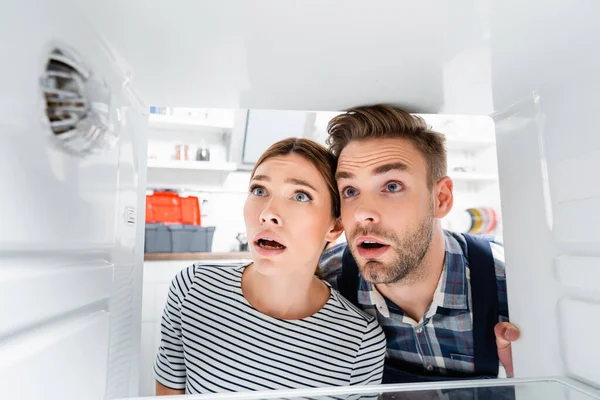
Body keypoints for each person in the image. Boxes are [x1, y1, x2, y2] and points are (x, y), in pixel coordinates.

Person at [154, 138, 387, 395]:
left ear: (335, 226)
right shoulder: (193, 288)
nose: (267, 212)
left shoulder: (360, 341)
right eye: (259, 190)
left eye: (300, 196)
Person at [319, 105, 521, 383]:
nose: (361, 212)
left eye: (392, 186)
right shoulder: (322, 288)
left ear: (441, 199)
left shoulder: (517, 286)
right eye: (350, 191)